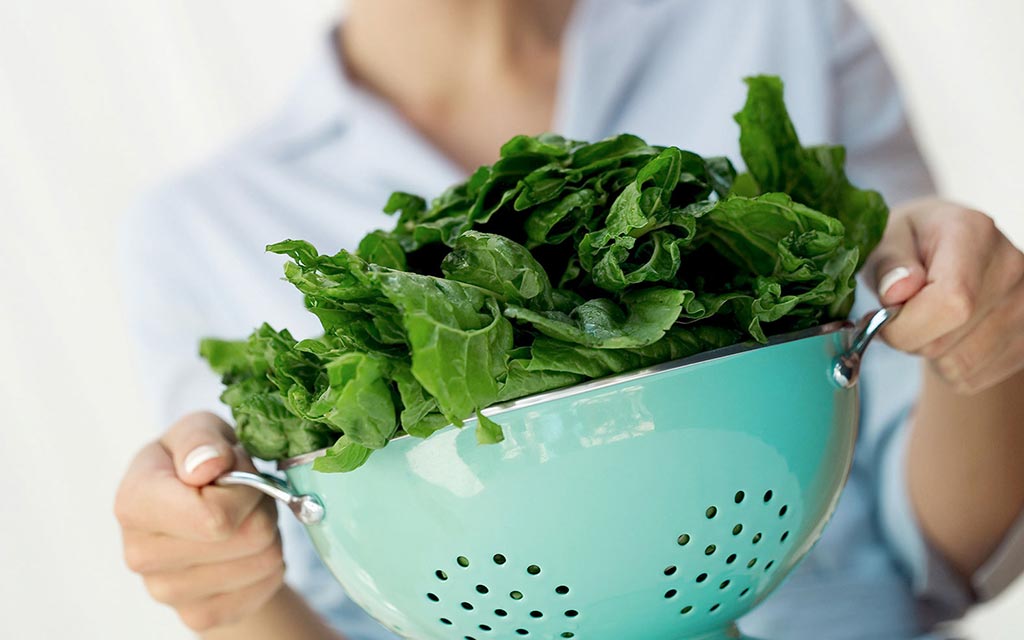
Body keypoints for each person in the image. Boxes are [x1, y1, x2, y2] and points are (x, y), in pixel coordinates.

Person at [113, 1, 1024, 638]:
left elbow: (952, 552)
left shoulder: (778, 19)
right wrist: (225, 590)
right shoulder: (196, 228)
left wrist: (977, 339)